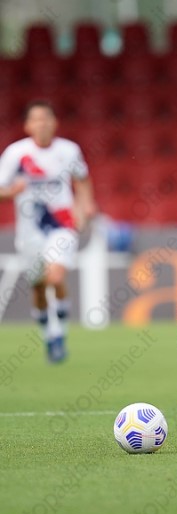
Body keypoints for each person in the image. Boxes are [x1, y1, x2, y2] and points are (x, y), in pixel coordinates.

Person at [0, 100, 96, 363]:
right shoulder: (16, 153)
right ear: (27, 125)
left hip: (61, 225)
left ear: (55, 123)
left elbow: (82, 179)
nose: (42, 123)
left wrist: (85, 205)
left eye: (46, 118)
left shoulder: (69, 150)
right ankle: (49, 335)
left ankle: (60, 332)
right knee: (39, 287)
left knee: (55, 276)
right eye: (37, 119)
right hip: (29, 232)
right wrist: (12, 192)